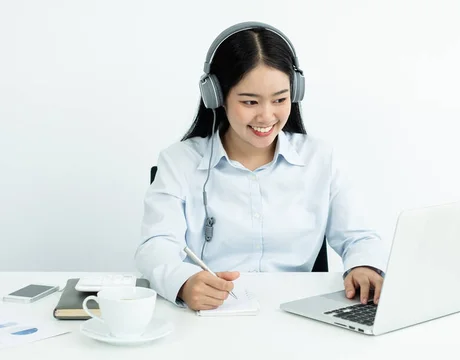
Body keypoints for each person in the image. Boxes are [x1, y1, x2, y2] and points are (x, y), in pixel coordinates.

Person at [134, 21, 389, 311]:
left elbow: (359, 237)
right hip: (212, 312)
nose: (266, 116)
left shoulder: (321, 158)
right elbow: (156, 244)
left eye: (279, 99)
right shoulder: (179, 162)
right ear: (217, 97)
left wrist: (365, 266)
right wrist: (183, 282)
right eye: (250, 101)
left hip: (298, 312)